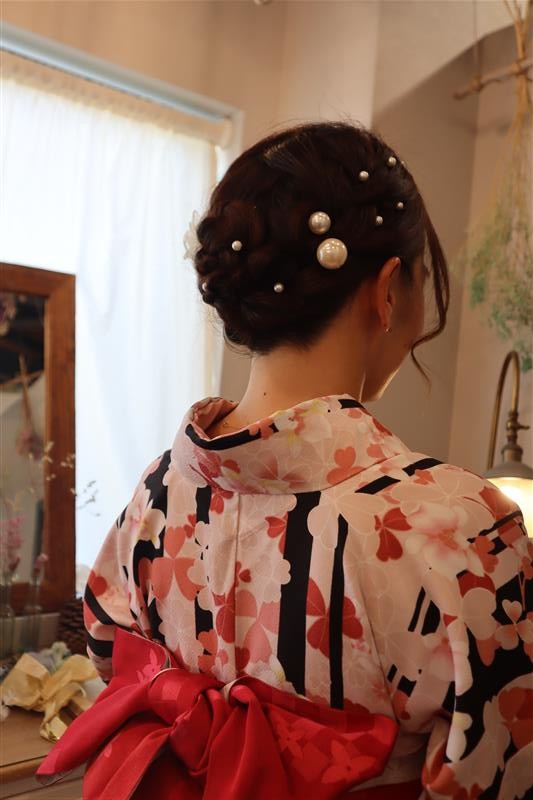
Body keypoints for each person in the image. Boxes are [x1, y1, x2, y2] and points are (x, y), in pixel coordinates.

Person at [37, 122, 532, 799]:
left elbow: (105, 645)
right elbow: (501, 767)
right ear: (389, 290)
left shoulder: (158, 493)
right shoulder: (457, 526)